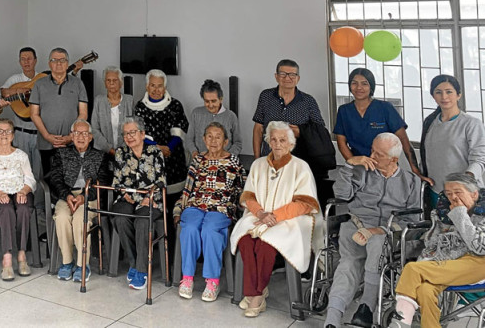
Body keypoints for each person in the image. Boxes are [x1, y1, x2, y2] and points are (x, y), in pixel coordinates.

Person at [324, 133, 422, 328]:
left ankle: (366, 306)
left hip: (388, 233)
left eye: (379, 154)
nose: (372, 156)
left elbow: (412, 219)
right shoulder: (362, 171)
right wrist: (350, 164)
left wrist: (381, 230)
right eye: (372, 150)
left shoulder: (410, 181)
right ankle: (332, 319)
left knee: (378, 243)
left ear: (394, 159)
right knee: (348, 265)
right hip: (356, 227)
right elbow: (341, 194)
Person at [230, 121, 323, 318]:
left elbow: (306, 204)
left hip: (289, 221)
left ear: (290, 144)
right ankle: (258, 291)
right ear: (268, 142)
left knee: (265, 246)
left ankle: (254, 297)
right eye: (273, 139)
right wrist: (261, 214)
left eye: (282, 140)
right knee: (245, 242)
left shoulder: (301, 167)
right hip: (260, 216)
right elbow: (248, 196)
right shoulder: (258, 164)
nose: (278, 144)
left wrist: (276, 216)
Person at [390, 173, 485, 328]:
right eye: (448, 193)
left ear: (474, 194)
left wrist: (460, 215)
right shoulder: (443, 213)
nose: (453, 197)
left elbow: (480, 247)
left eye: (458, 192)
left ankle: (400, 322)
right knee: (425, 290)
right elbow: (432, 243)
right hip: (450, 262)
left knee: (413, 269)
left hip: (480, 263)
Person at [173, 122, 246, 302]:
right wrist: (178, 210)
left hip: (221, 207)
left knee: (210, 229)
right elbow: (187, 190)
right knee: (189, 227)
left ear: (226, 141)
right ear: (204, 140)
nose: (213, 141)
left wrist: (242, 212)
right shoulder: (197, 161)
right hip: (195, 205)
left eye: (218, 137)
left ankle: (213, 280)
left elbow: (243, 191)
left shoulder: (233, 162)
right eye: (210, 137)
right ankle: (188, 277)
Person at [49, 119, 111, 282]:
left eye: (85, 133)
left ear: (90, 137)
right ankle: (67, 262)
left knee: (79, 219)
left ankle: (83, 264)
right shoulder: (61, 153)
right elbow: (55, 179)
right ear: (71, 136)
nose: (81, 137)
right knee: (61, 218)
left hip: (89, 197)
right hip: (67, 196)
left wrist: (84, 196)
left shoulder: (100, 156)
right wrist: (67, 195)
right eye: (77, 133)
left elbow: (102, 182)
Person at [111, 117, 167, 290]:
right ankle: (134, 262)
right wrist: (135, 197)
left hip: (152, 200)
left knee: (142, 220)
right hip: (127, 199)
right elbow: (117, 182)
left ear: (142, 134)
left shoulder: (154, 152)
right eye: (125, 134)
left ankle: (141, 269)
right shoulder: (121, 152)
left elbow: (161, 181)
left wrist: (145, 197)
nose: (129, 137)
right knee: (120, 218)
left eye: (133, 132)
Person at [334, 68, 420, 178]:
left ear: (371, 87)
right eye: (354, 83)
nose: (359, 87)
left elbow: (404, 141)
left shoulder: (385, 108)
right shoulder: (344, 110)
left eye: (364, 84)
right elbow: (341, 143)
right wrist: (354, 163)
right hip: (359, 170)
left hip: (385, 169)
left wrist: (415, 170)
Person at [0, 118, 36, 281]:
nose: (4, 135)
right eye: (0, 131)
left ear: (13, 136)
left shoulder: (21, 155)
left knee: (24, 208)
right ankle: (7, 259)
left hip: (20, 190)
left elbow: (31, 179)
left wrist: (24, 191)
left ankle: (21, 255)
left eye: (8, 131)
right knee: (6, 210)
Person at [420, 74, 485, 195]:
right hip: (436, 191)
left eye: (449, 92)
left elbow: (479, 159)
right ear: (433, 96)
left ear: (458, 95)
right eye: (438, 92)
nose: (444, 97)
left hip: (465, 192)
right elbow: (426, 155)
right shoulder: (430, 122)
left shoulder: (471, 123)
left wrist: (464, 180)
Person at [0, 47, 45, 214]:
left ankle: (39, 208)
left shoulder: (42, 79)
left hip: (40, 133)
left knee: (39, 173)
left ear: (35, 60)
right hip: (20, 132)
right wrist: (19, 91)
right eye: (23, 59)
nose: (26, 62)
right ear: (19, 62)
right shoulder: (15, 79)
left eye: (29, 58)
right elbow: (3, 93)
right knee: (21, 172)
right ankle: (22, 206)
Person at [134, 69, 188, 205]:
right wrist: (157, 148)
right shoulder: (140, 107)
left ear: (165, 87)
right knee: (153, 202)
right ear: (147, 86)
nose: (156, 89)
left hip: (173, 157)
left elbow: (180, 130)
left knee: (174, 201)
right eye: (152, 85)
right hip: (149, 158)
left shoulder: (175, 105)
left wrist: (168, 148)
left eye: (159, 86)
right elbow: (138, 134)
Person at [251, 59, 325, 159]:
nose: (287, 78)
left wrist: (301, 131)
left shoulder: (308, 101)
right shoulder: (265, 96)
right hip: (269, 157)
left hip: (299, 159)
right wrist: (257, 158)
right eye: (283, 74)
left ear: (298, 78)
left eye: (292, 75)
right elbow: (258, 129)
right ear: (276, 76)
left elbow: (320, 129)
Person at [31, 47, 89, 174]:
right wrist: (47, 136)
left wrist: (71, 136)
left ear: (67, 63)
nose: (58, 63)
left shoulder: (78, 84)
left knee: (72, 180)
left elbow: (83, 113)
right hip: (46, 144)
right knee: (49, 180)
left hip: (72, 143)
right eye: (54, 60)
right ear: (49, 63)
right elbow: (34, 114)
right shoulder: (39, 84)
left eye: (62, 60)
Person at [184, 79, 242, 157]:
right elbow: (189, 139)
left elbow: (238, 143)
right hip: (200, 161)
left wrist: (227, 156)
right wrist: (195, 153)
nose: (210, 105)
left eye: (213, 101)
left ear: (220, 99)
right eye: (207, 101)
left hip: (224, 162)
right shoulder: (196, 113)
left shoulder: (231, 116)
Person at [90, 66, 135, 155]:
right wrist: (109, 149)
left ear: (121, 82)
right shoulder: (99, 100)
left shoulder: (129, 100)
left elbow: (133, 128)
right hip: (102, 152)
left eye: (115, 80)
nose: (111, 83)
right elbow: (94, 129)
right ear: (105, 83)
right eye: (108, 80)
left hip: (126, 151)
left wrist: (121, 150)